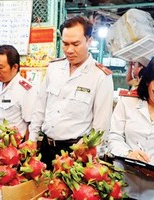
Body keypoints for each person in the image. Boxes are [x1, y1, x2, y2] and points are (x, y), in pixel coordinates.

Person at [28, 16, 114, 170]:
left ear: (89, 41)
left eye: (76, 44)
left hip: (76, 153)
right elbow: (40, 106)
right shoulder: (54, 68)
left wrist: (89, 149)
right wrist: (32, 137)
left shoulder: (100, 76)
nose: (69, 50)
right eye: (65, 44)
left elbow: (101, 125)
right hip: (47, 148)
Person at [108, 53, 154, 200]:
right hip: (125, 187)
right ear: (147, 82)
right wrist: (128, 153)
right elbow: (114, 136)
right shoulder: (127, 102)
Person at [0, 45, 37, 151]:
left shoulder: (25, 90)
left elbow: (31, 124)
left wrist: (27, 150)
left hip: (15, 147)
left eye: (0, 67)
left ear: (14, 67)